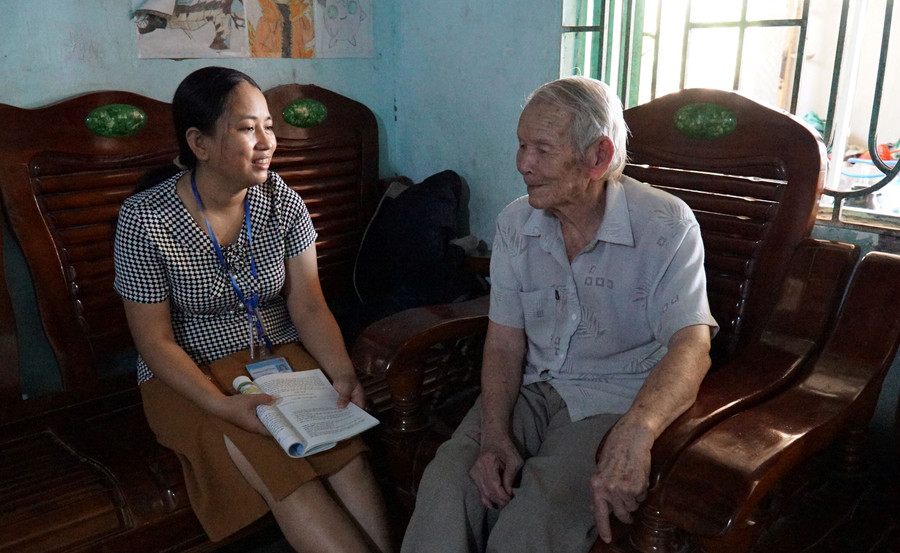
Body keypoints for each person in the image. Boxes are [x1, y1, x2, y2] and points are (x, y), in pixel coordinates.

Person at [400, 76, 718, 553]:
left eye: (542, 150)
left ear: (599, 156)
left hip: (614, 397)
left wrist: (638, 433)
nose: (523, 164)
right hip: (531, 388)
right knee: (449, 484)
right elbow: (505, 341)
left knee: (536, 520)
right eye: (521, 145)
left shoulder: (666, 224)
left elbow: (692, 344)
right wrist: (493, 436)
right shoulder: (515, 224)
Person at [113, 66, 392, 553]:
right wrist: (220, 405)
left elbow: (307, 305)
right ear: (198, 143)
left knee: (348, 456)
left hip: (279, 360)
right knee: (284, 470)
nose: (267, 141)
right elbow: (154, 341)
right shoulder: (145, 219)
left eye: (268, 125)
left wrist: (343, 373)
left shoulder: (282, 202)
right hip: (189, 373)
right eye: (247, 128)